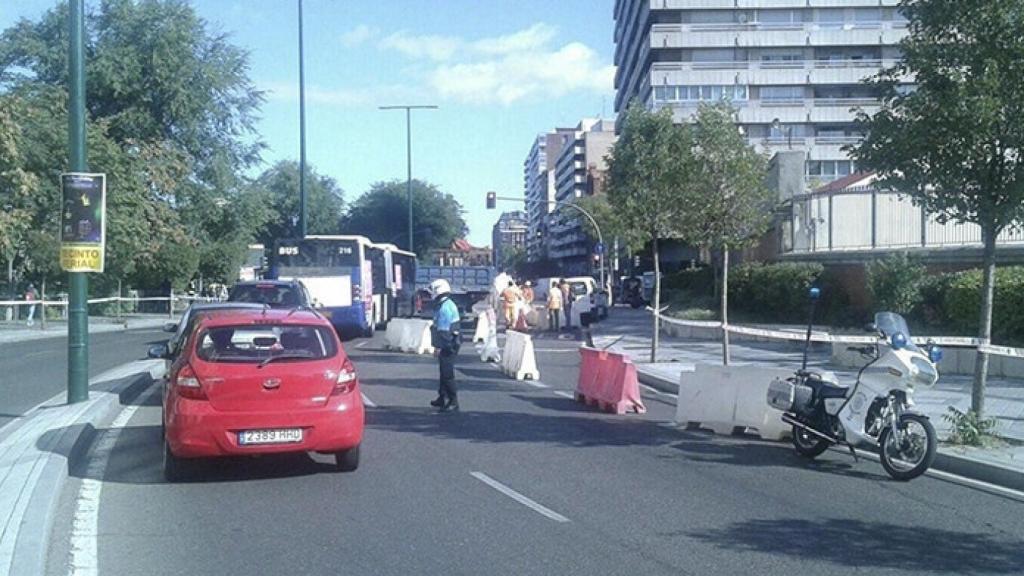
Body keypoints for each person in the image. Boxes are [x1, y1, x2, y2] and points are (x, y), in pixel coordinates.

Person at [429, 279, 462, 413]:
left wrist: (439, 347)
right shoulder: (446, 304)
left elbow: (443, 332)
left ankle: (453, 401)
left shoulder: (444, 308)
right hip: (450, 342)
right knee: (443, 372)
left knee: (447, 374)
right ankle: (442, 397)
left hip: (448, 344)